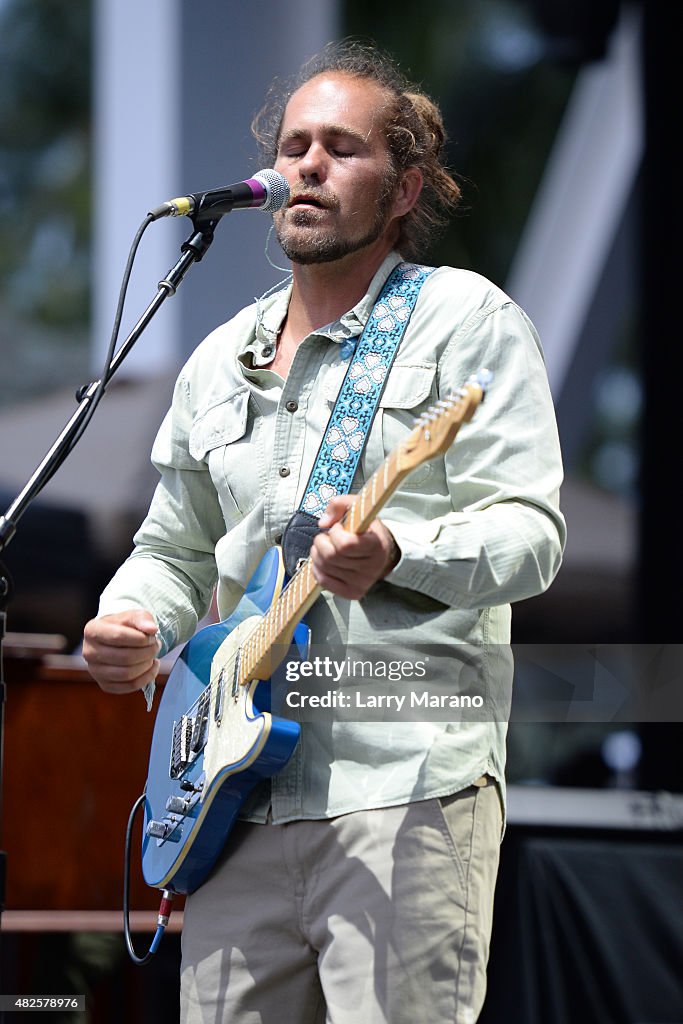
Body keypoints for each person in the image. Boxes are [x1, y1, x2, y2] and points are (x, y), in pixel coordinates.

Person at [83, 41, 565, 1024]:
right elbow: (173, 548)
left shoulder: (463, 321)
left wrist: (395, 553)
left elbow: (531, 534)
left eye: (340, 148)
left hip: (404, 792)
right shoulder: (219, 362)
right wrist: (128, 619)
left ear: (404, 189)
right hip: (232, 801)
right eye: (295, 143)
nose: (305, 164)